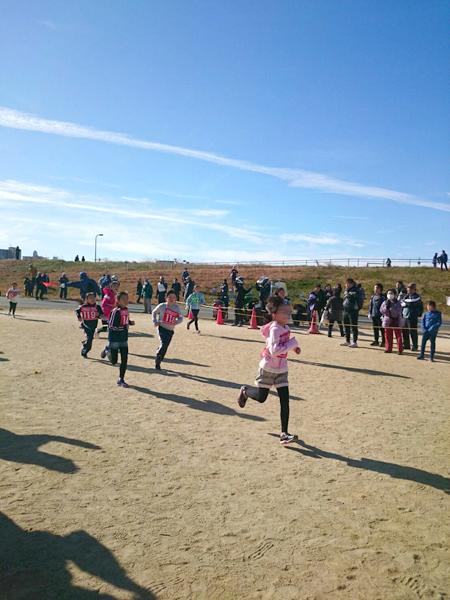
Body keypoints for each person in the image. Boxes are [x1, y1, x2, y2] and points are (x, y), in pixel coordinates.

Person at [236, 295, 301, 445]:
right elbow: (273, 350)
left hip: (282, 370)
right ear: (274, 314)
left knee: (285, 401)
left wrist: (295, 348)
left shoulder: (286, 327)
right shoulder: (274, 329)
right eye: (284, 312)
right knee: (261, 398)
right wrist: (292, 344)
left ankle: (284, 433)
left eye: (288, 312)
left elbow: (285, 344)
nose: (287, 314)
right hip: (268, 369)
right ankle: (245, 391)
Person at [106, 291, 134, 387]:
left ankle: (121, 379)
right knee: (114, 361)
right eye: (123, 299)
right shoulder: (115, 311)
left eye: (127, 298)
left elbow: (124, 320)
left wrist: (129, 322)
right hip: (114, 339)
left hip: (123, 339)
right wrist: (122, 327)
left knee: (124, 360)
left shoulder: (126, 309)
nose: (126, 301)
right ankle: (107, 350)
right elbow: (110, 326)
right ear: (117, 301)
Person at [152, 289, 183, 370]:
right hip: (161, 328)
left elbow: (181, 318)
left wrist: (175, 322)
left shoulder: (177, 308)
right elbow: (154, 312)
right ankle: (158, 361)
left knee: (165, 347)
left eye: (174, 297)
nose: (172, 299)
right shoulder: (162, 306)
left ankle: (159, 356)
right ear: (166, 298)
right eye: (170, 297)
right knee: (164, 343)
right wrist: (155, 321)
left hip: (170, 330)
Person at [75, 292, 103, 358]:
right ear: (86, 299)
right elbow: (77, 311)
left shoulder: (97, 307)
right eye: (90, 298)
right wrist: (79, 316)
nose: (92, 299)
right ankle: (84, 351)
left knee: (90, 339)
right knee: (89, 340)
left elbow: (101, 314)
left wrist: (99, 316)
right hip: (86, 325)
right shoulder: (83, 307)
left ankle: (85, 344)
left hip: (93, 325)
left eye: (93, 298)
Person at [400, 283, 423, 351]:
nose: (408, 289)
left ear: (414, 290)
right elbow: (401, 303)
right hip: (405, 316)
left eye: (410, 288)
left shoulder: (417, 297)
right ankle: (406, 345)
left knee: (413, 331)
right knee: (404, 331)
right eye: (408, 288)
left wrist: (405, 303)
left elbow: (411, 303)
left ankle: (415, 346)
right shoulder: (406, 296)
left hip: (412, 316)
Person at [380, 290, 403, 354]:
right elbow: (381, 310)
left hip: (396, 320)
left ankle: (400, 349)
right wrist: (386, 308)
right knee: (388, 335)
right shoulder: (385, 302)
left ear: (395, 295)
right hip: (387, 320)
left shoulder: (398, 303)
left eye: (391, 293)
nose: (389, 295)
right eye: (388, 293)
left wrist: (391, 309)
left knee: (398, 336)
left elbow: (398, 311)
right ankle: (388, 348)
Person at [341, 278, 362, 348]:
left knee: (354, 326)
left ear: (352, 284)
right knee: (346, 326)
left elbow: (354, 299)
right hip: (345, 310)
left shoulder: (356, 290)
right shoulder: (347, 290)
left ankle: (355, 342)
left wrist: (349, 294)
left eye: (347, 284)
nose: (346, 285)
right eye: (346, 283)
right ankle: (347, 341)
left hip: (353, 311)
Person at [98, 279, 120, 345]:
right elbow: (103, 304)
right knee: (106, 328)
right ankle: (97, 331)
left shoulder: (115, 294)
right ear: (111, 287)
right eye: (114, 286)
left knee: (111, 327)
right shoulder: (109, 294)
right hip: (106, 313)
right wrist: (112, 306)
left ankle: (112, 341)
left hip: (111, 313)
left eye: (117, 286)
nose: (116, 287)